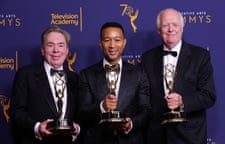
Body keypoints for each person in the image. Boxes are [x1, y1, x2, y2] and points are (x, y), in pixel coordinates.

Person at [140, 8, 217, 144]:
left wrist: (182, 101)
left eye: (175, 25)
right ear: (159, 30)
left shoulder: (200, 56)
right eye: (165, 25)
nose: (170, 29)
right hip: (157, 136)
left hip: (190, 137)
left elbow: (208, 96)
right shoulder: (147, 58)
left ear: (182, 28)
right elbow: (143, 97)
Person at [77, 22, 151, 144]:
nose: (112, 45)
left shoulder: (139, 74)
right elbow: (82, 113)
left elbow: (146, 110)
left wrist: (130, 124)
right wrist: (102, 107)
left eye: (117, 40)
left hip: (130, 140)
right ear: (100, 43)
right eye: (107, 40)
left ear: (124, 42)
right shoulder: (86, 74)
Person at [9, 25, 81, 144]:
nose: (56, 50)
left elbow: (82, 115)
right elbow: (16, 112)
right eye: (50, 45)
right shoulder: (26, 75)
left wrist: (77, 129)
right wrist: (37, 127)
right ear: (42, 50)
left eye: (61, 45)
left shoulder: (76, 79)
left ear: (67, 50)